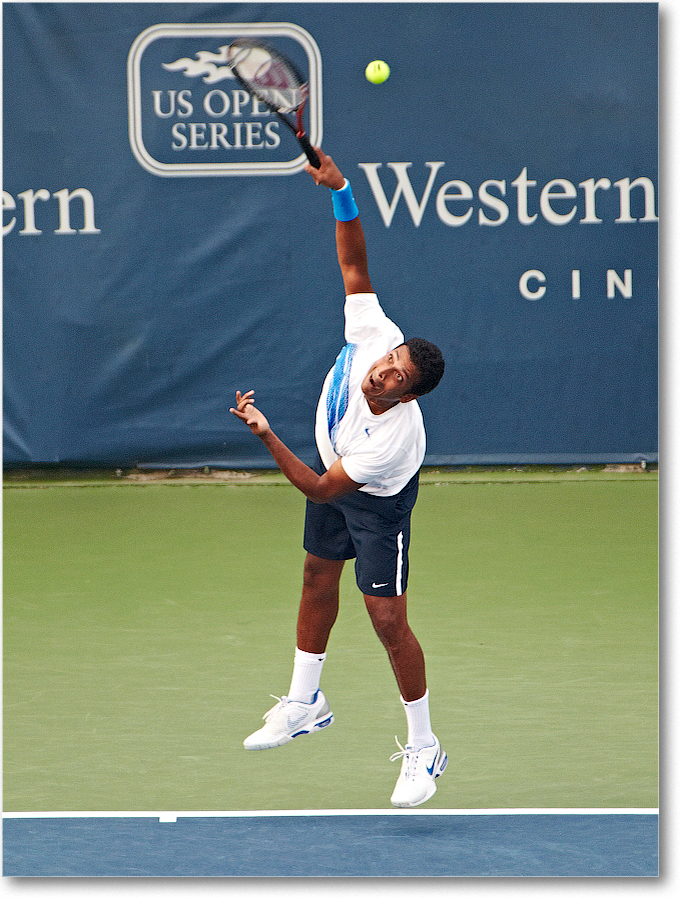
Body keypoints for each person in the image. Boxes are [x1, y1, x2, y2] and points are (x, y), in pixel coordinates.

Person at [230, 148, 446, 808]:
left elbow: (323, 490)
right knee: (315, 576)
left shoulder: (392, 438)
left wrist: (267, 434)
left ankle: (426, 746)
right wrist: (342, 190)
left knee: (385, 620)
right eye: (389, 360)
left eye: (395, 376)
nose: (381, 370)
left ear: (408, 396)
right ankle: (304, 701)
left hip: (373, 502)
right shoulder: (375, 332)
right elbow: (353, 262)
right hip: (332, 463)